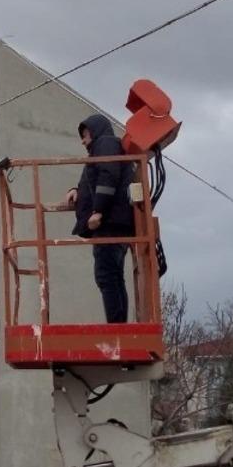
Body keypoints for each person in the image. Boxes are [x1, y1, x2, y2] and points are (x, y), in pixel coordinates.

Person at [63, 114, 136, 323]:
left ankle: (117, 328)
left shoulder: (106, 143)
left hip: (110, 223)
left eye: (85, 135)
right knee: (113, 276)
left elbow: (108, 174)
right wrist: (76, 190)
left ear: (94, 132)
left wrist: (98, 211)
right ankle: (119, 326)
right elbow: (95, 176)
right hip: (116, 223)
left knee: (106, 275)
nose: (83, 141)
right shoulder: (106, 147)